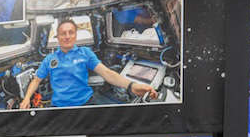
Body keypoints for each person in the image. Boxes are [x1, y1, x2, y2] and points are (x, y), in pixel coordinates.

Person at [19, 19, 158, 108]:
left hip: (86, 103)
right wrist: (26, 99)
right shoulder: (50, 59)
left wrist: (132, 86)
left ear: (75, 35)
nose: (67, 36)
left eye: (70, 32)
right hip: (58, 107)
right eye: (63, 33)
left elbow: (107, 73)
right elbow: (36, 80)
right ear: (57, 36)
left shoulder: (85, 53)